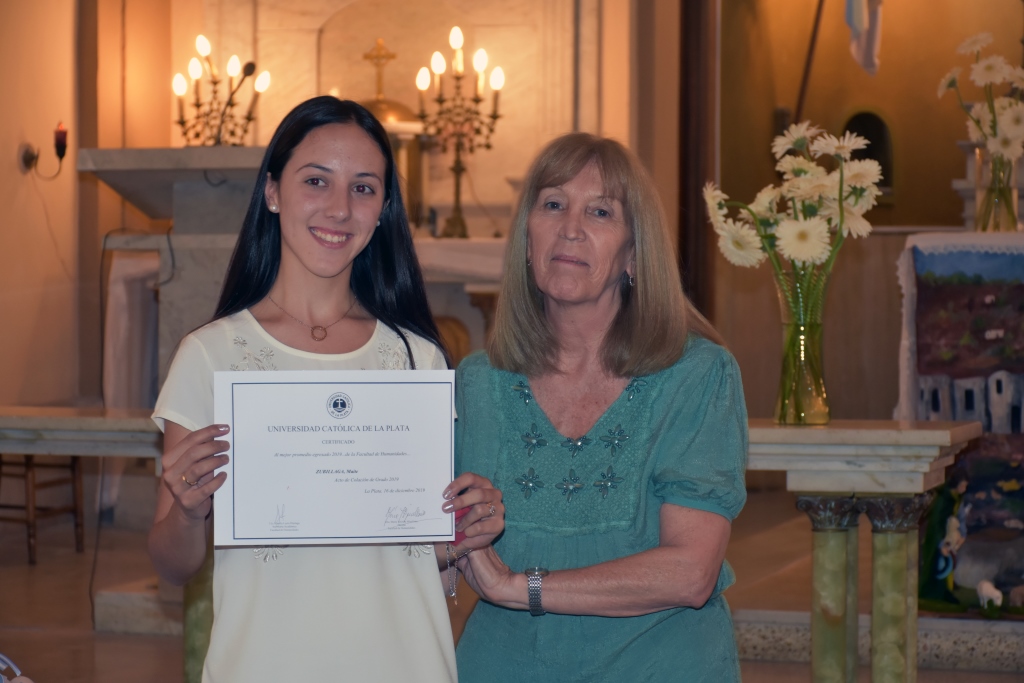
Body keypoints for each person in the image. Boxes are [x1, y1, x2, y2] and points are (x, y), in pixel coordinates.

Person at [148, 96, 504, 682]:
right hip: (266, 663)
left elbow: (415, 549)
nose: (339, 208)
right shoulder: (212, 355)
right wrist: (188, 511)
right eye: (317, 180)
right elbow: (172, 564)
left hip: (402, 661)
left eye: (363, 188)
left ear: (383, 209)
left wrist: (467, 527)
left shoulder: (415, 357)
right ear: (272, 191)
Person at [453, 133, 748, 681]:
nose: (570, 228)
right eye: (553, 204)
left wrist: (519, 587)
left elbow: (691, 572)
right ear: (527, 240)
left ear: (634, 254)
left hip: (658, 666)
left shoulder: (697, 376)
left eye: (600, 211)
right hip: (504, 665)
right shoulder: (477, 382)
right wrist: (446, 544)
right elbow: (432, 543)